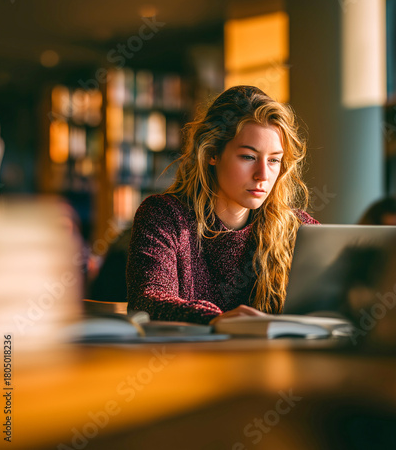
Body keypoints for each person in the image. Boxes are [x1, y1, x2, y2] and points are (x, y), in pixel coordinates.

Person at [126, 85, 319, 325]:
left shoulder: (297, 229)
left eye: (274, 160)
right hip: (189, 361)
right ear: (212, 153)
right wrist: (218, 320)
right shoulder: (165, 216)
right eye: (248, 157)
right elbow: (147, 301)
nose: (263, 174)